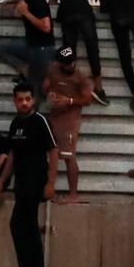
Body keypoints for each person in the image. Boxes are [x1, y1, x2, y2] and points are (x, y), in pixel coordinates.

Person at [0, 80, 58, 267]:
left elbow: (54, 150)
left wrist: (51, 182)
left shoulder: (40, 121)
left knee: (20, 223)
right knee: (26, 225)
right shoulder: (15, 123)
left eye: (27, 99)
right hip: (20, 182)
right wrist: (2, 181)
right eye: (20, 99)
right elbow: (13, 154)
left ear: (33, 100)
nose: (24, 103)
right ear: (15, 101)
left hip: (36, 180)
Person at [49, 0, 108, 105]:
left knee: (68, 51)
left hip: (67, 14)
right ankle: (99, 88)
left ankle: (67, 87)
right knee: (92, 48)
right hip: (82, 13)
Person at [0, 0, 55, 102]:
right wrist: (16, 1)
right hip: (31, 46)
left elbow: (46, 27)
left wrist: (26, 13)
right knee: (0, 47)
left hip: (42, 49)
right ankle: (25, 69)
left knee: (35, 94)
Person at [44, 45, 93, 203]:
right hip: (54, 116)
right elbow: (44, 86)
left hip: (70, 118)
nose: (70, 66)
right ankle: (47, 189)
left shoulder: (81, 76)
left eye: (72, 62)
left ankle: (73, 194)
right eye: (66, 63)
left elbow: (87, 99)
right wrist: (49, 94)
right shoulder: (53, 70)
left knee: (68, 156)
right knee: (51, 154)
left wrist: (70, 101)